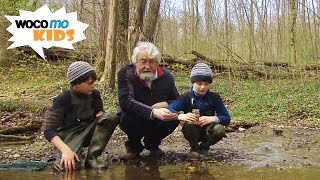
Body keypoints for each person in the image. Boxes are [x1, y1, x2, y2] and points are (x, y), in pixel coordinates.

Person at [43, 61, 119, 171]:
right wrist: (65, 150)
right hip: (69, 135)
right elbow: (49, 131)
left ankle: (91, 158)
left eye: (93, 82)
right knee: (68, 167)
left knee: (111, 117)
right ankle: (65, 155)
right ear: (76, 84)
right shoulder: (62, 99)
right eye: (89, 83)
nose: (92, 86)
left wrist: (101, 115)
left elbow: (100, 112)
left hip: (88, 130)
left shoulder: (95, 94)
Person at [118, 41, 179, 160]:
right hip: (134, 117)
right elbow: (126, 100)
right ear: (135, 62)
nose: (147, 66)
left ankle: (152, 144)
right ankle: (134, 147)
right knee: (126, 116)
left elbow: (178, 100)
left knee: (174, 116)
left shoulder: (166, 76)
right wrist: (152, 112)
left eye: (151, 61)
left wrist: (166, 104)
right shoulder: (126, 73)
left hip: (158, 119)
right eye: (143, 61)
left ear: (157, 62)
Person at [166, 63, 231, 158]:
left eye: (206, 84)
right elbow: (168, 110)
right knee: (190, 125)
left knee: (219, 129)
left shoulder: (214, 97)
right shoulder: (185, 97)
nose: (203, 87)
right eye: (199, 84)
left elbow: (227, 118)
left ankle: (204, 147)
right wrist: (181, 116)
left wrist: (213, 119)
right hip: (191, 130)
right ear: (193, 82)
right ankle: (194, 148)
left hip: (208, 130)